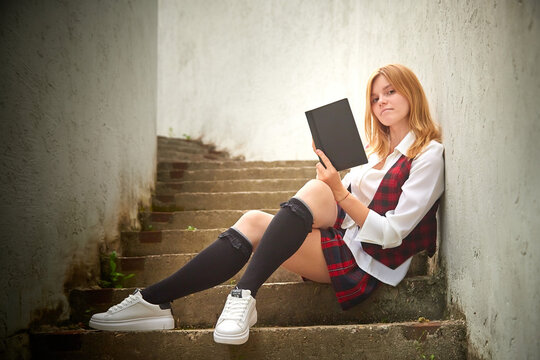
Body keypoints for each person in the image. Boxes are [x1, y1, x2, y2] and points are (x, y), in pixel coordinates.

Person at [89, 63, 444, 345]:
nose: (381, 101)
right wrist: (332, 181)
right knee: (257, 219)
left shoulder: (428, 155)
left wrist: (338, 191)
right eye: (374, 97)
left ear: (411, 94)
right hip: (340, 239)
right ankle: (155, 301)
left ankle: (242, 294)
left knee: (322, 191)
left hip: (368, 260)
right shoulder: (372, 155)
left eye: (390, 91)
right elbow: (332, 207)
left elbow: (392, 232)